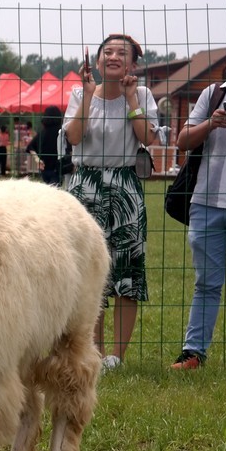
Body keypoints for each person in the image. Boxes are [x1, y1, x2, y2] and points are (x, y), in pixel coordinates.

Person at [64, 33, 160, 371]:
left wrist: (132, 98)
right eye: (108, 51)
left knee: (127, 270)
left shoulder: (143, 95)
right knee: (90, 272)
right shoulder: (79, 94)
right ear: (97, 60)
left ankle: (117, 356)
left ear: (133, 63)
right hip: (85, 185)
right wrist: (89, 96)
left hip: (124, 185)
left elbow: (148, 137)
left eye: (123, 53)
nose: (114, 56)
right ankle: (93, 350)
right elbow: (74, 137)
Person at [172, 35, 226, 374]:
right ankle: (193, 351)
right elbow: (182, 140)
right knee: (206, 282)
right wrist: (211, 123)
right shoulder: (213, 94)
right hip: (207, 202)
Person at [26, 106, 64, 186]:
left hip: (44, 168)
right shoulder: (61, 132)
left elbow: (30, 147)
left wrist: (37, 159)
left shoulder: (42, 133)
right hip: (57, 168)